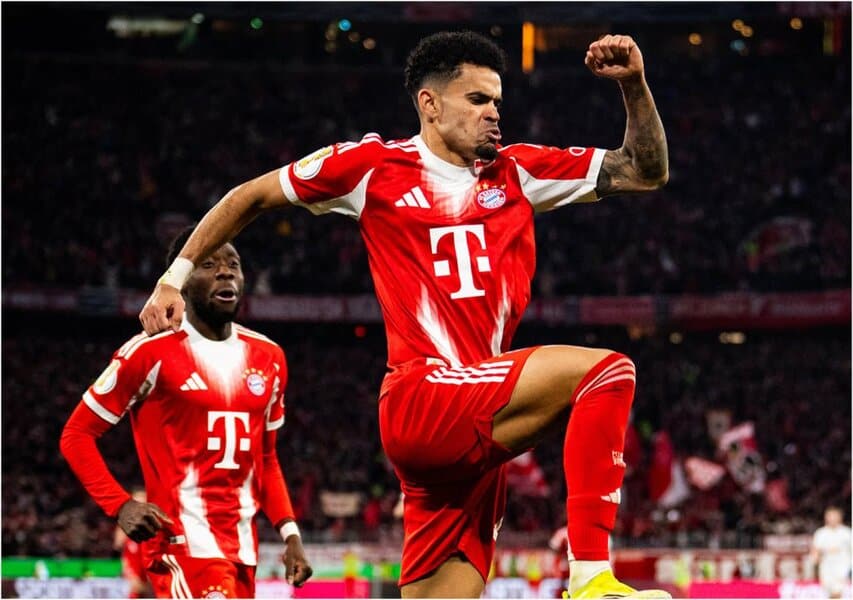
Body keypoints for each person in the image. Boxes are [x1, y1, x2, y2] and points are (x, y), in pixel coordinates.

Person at [139, 31, 669, 599]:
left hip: (474, 420)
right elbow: (249, 196)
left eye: (497, 101)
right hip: (424, 397)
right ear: (430, 104)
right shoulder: (372, 167)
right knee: (607, 372)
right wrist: (172, 278)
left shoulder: (519, 172)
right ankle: (591, 579)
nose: (494, 113)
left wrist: (634, 86)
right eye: (477, 99)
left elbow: (644, 170)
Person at [61, 228, 313, 598]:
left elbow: (266, 458)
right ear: (181, 281)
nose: (225, 272)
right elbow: (76, 435)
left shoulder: (269, 357)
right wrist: (120, 505)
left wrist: (290, 533)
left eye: (233, 264)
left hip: (243, 551)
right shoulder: (149, 352)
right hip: (181, 546)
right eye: (208, 265)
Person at [114, 488, 154, 598]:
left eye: (143, 504)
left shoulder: (156, 527)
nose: (140, 508)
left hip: (151, 576)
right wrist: (129, 573)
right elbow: (118, 547)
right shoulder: (124, 527)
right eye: (137, 503)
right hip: (134, 574)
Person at [810, 506, 852, 599]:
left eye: (835, 516)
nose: (832, 518)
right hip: (826, 568)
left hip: (842, 567)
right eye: (830, 516)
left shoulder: (847, 533)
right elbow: (815, 550)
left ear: (840, 517)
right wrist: (816, 559)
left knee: (837, 592)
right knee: (828, 593)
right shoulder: (820, 533)